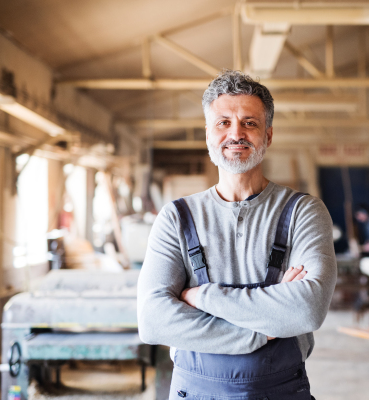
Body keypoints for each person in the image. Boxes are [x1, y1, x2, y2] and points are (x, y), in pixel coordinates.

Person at [137, 70, 336, 399]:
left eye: (250, 123)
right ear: (208, 135)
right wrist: (262, 331)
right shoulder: (176, 218)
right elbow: (153, 321)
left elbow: (307, 310)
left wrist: (203, 297)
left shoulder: (304, 212)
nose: (236, 133)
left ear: (268, 136)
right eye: (223, 122)